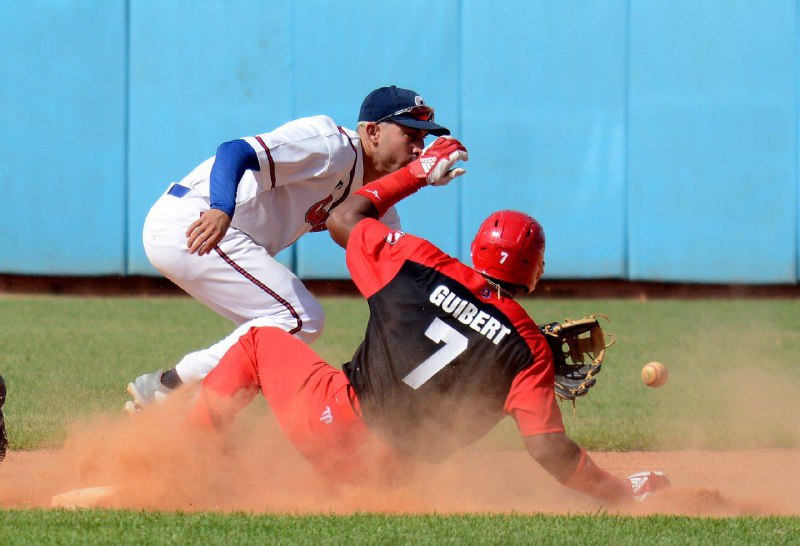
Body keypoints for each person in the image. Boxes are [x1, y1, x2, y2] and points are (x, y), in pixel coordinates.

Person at [189, 136, 670, 503]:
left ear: (477, 249)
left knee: (258, 341)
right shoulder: (527, 349)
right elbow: (547, 450)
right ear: (534, 274)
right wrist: (619, 494)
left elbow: (343, 218)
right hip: (395, 481)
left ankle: (189, 459)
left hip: (332, 425)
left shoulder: (416, 264)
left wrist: (418, 173)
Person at [126, 85, 453, 412]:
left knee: (272, 335)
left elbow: (398, 270)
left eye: (423, 139)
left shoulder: (373, 203)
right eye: (410, 135)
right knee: (301, 317)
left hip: (207, 235)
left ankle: (184, 412)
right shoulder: (331, 147)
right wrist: (221, 208)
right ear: (373, 132)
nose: (418, 148)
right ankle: (172, 388)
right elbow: (234, 151)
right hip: (195, 222)